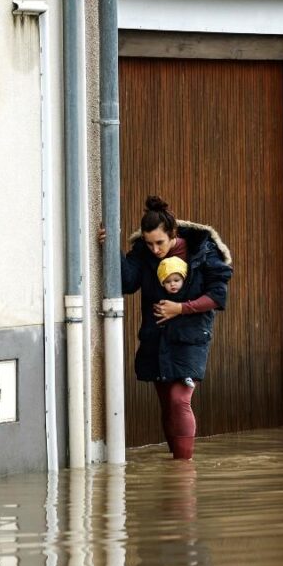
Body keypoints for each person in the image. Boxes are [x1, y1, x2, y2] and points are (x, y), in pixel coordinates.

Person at [121, 196, 233, 459]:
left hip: (190, 338)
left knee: (179, 400)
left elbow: (218, 296)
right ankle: (175, 468)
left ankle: (185, 470)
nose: (155, 249)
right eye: (149, 244)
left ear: (173, 234)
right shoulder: (143, 253)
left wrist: (180, 308)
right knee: (166, 404)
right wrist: (110, 248)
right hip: (155, 337)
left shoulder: (203, 250)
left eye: (160, 242)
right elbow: (128, 284)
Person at [156, 256, 196, 388]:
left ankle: (187, 375)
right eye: (167, 282)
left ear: (184, 279)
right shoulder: (161, 298)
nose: (172, 284)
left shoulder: (190, 295)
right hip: (168, 335)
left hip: (185, 335)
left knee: (184, 354)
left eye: (176, 280)